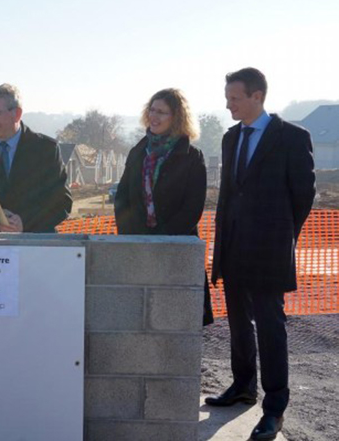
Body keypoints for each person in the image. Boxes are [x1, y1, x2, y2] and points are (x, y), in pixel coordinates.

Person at [206, 68, 315, 440]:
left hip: (269, 249)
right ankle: (242, 387)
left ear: (257, 97)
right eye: (227, 97)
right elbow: (228, 194)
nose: (228, 104)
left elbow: (303, 196)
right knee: (237, 321)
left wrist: (281, 235)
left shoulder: (291, 137)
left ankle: (274, 409)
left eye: (234, 98)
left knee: (271, 328)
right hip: (233, 246)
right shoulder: (230, 137)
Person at [114, 88, 213, 326]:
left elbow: (192, 208)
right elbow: (122, 199)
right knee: (140, 317)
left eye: (162, 112)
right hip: (138, 247)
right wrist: (133, 236)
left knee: (178, 318)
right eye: (152, 109)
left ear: (177, 118)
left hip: (176, 248)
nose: (154, 116)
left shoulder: (192, 156)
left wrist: (161, 238)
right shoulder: (139, 151)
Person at [0, 83, 72, 232]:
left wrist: (25, 223)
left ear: (17, 114)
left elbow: (62, 202)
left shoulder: (46, 149)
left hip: (35, 244)